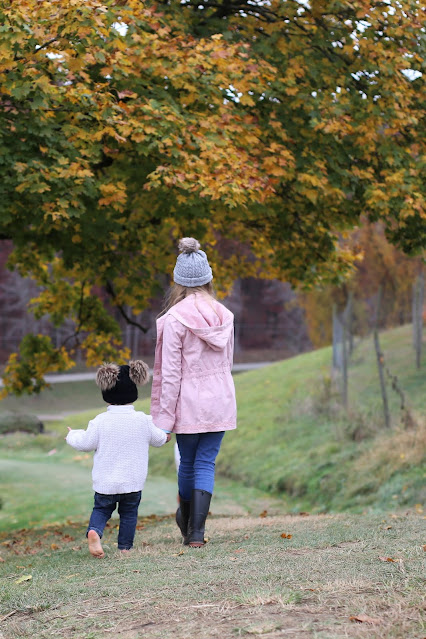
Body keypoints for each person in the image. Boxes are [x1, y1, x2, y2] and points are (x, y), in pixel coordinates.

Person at [151, 237, 237, 547]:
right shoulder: (225, 316)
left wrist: (164, 417)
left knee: (188, 462)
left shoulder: (174, 320)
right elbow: (227, 362)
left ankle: (186, 521)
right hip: (220, 399)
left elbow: (171, 374)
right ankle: (196, 533)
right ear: (209, 278)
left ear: (178, 282)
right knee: (206, 462)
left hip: (187, 401)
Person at [66, 360, 170, 558]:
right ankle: (124, 548)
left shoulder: (99, 422)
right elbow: (158, 439)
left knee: (102, 509)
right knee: (129, 514)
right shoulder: (142, 420)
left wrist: (72, 435)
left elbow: (85, 443)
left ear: (107, 395)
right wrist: (166, 436)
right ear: (134, 392)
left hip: (106, 483)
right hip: (132, 481)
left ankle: (95, 531)